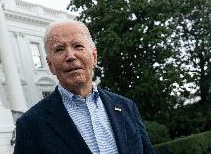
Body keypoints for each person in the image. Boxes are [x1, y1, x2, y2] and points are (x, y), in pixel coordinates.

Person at [13, 20, 155, 154]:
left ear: (94, 57)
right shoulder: (30, 125)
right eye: (59, 49)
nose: (70, 56)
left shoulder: (127, 107)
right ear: (50, 65)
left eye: (78, 46)